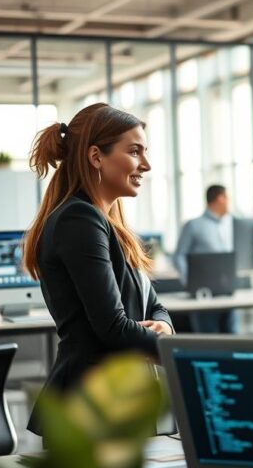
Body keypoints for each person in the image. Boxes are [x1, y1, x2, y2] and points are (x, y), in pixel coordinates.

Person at [23, 103, 174, 435]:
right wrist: (174, 353)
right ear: (96, 157)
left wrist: (162, 327)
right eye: (135, 152)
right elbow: (112, 327)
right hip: (91, 405)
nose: (145, 165)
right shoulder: (79, 220)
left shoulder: (109, 223)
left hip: (118, 397)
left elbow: (154, 306)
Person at [175, 184, 237, 333]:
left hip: (227, 292)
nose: (229, 202)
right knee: (209, 341)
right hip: (204, 296)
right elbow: (179, 256)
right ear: (220, 199)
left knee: (233, 339)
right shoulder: (193, 225)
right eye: (227, 198)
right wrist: (189, 281)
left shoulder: (230, 223)